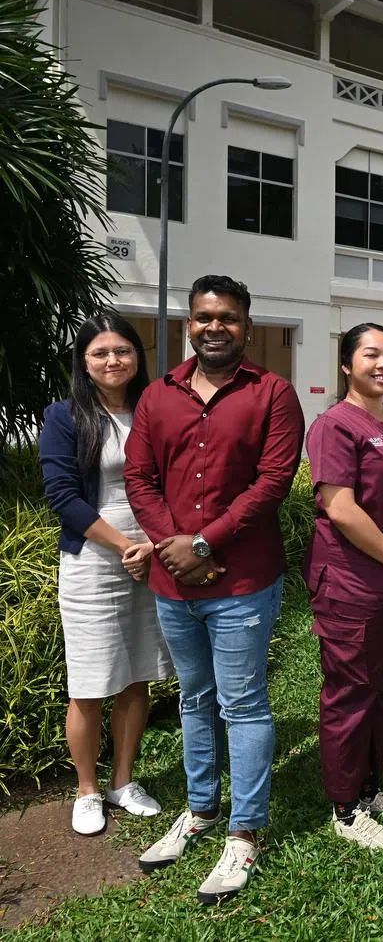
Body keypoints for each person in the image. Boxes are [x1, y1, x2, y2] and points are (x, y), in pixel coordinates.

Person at [124, 275, 304, 904]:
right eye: (204, 317)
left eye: (227, 318)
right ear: (189, 323)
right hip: (175, 586)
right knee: (195, 699)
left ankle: (244, 831)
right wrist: (175, 547)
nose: (214, 327)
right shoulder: (157, 397)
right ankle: (199, 809)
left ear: (246, 326)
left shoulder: (273, 394)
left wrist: (202, 545)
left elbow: (273, 481)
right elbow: (140, 480)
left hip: (244, 582)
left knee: (243, 703)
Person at [38, 312, 172, 836]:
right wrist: (125, 546)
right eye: (101, 353)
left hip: (152, 555)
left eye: (123, 351)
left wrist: (154, 546)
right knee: (90, 683)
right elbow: (62, 496)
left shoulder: (154, 410)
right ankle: (88, 789)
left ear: (138, 357)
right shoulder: (64, 415)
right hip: (95, 560)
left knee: (136, 674)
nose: (113, 360)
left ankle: (122, 780)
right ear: (84, 361)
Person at [304, 323, 383, 850]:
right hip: (352, 582)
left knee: (380, 687)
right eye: (371, 355)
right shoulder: (335, 426)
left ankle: (370, 786)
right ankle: (345, 805)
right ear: (346, 365)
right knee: (350, 692)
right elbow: (339, 507)